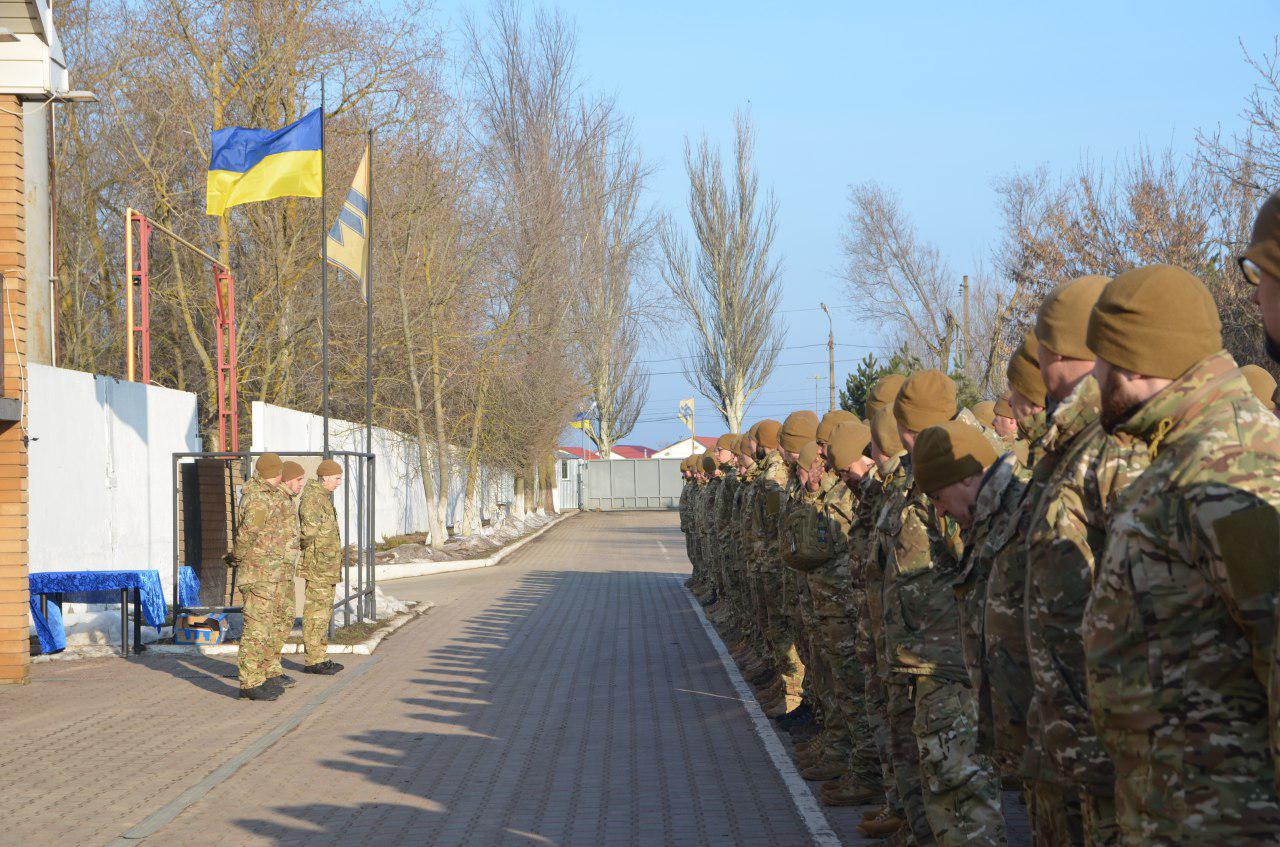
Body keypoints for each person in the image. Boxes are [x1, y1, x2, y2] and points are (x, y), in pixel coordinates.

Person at [1083, 263, 1280, 841]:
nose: (1094, 373)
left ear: (1137, 359)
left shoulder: (1231, 465)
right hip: (1177, 811)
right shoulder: (1185, 451)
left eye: (1102, 356)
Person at [1022, 274, 1135, 845]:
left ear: (1058, 350)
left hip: (1101, 733)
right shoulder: (1066, 443)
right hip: (1066, 724)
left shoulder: (1107, 446)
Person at [881, 369, 1004, 846]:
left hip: (954, 668)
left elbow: (980, 573)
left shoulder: (956, 472)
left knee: (962, 795)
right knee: (945, 792)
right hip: (933, 663)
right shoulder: (938, 472)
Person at [232, 453, 293, 701]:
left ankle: (259, 676)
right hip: (258, 573)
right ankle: (249, 682)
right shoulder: (257, 499)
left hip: (270, 572)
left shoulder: (268, 494)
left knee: (265, 626)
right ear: (275, 473)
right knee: (256, 628)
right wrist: (237, 558)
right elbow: (247, 535)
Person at [298, 459, 345, 675]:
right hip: (318, 567)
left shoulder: (322, 498)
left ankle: (319, 656)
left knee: (323, 613)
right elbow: (307, 534)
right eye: (336, 478)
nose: (339, 482)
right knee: (316, 613)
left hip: (326, 567)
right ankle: (313, 660)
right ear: (325, 477)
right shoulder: (313, 499)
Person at [265, 460, 306, 689]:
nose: (301, 484)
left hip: (285, 572)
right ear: (288, 479)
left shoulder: (288, 501)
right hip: (274, 572)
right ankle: (267, 670)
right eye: (299, 479)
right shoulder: (277, 500)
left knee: (284, 619)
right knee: (273, 621)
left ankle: (273, 667)